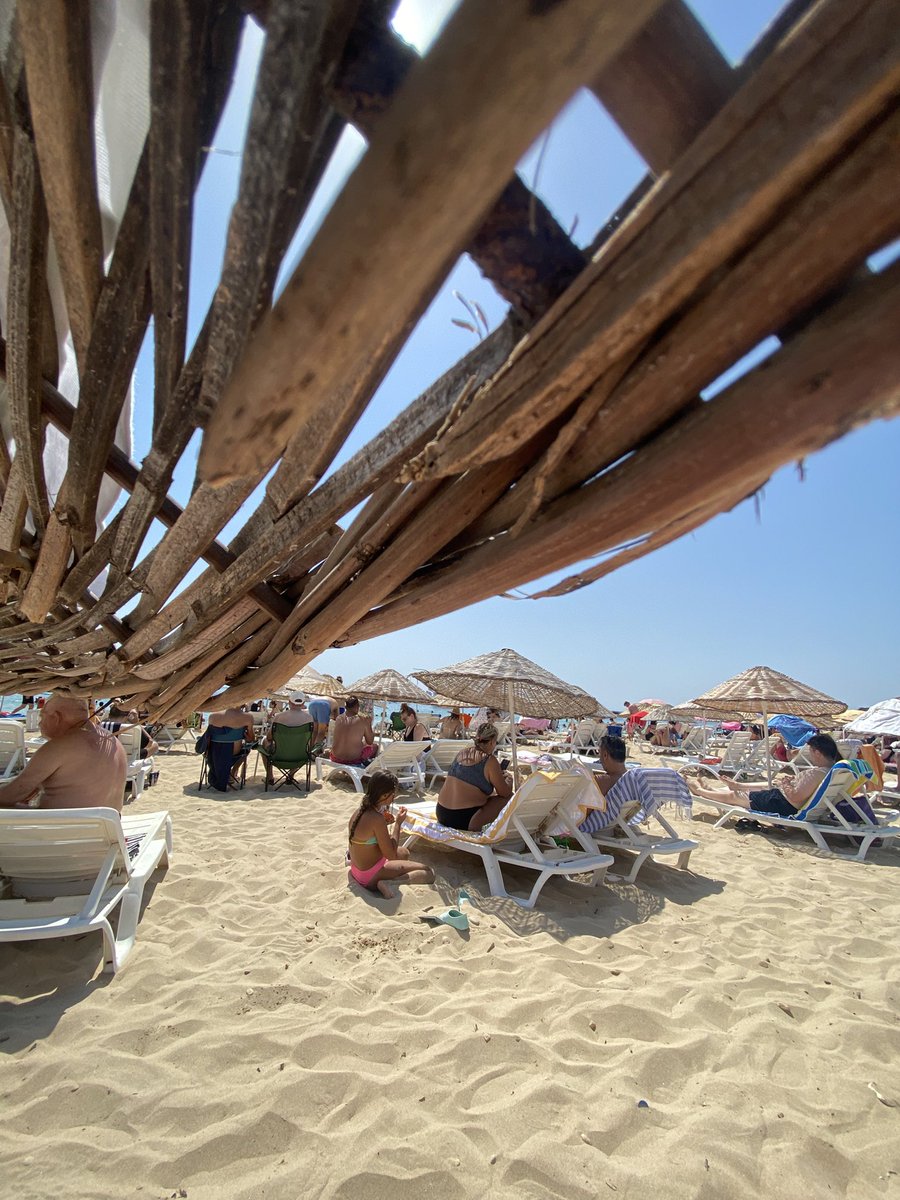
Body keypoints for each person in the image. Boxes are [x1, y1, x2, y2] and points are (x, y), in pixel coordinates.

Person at [0, 694, 126, 812]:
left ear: (56, 717)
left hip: (61, 831)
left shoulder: (59, 746)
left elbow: (13, 794)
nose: (39, 723)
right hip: (105, 830)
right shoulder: (113, 742)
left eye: (42, 716)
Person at [687, 732, 842, 816]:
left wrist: (786, 783)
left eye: (811, 753)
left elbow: (795, 796)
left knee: (735, 797)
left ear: (818, 753)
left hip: (783, 804)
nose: (811, 756)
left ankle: (699, 791)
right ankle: (728, 786)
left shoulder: (817, 773)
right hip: (783, 799)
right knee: (766, 786)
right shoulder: (831, 771)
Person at [347, 770, 436, 897]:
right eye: (393, 795)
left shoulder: (359, 812)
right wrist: (398, 824)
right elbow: (391, 855)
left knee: (404, 853)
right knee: (429, 872)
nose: (394, 797)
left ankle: (387, 879)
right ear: (384, 796)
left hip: (357, 870)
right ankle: (390, 883)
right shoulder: (377, 819)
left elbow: (372, 840)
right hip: (369, 876)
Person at [434, 722, 513, 832]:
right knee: (509, 798)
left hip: (441, 813)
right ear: (491, 742)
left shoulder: (462, 753)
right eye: (496, 742)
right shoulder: (489, 760)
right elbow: (505, 793)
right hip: (465, 820)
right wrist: (509, 781)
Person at [205, 704, 256, 790]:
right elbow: (250, 739)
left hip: (214, 754)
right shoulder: (248, 717)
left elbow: (208, 738)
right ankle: (233, 771)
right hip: (234, 753)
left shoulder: (213, 716)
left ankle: (230, 773)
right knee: (246, 750)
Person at [330, 696, 376, 766]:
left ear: (346, 706)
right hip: (353, 760)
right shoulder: (363, 720)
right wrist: (369, 725)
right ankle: (366, 765)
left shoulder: (339, 718)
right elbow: (370, 741)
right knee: (375, 747)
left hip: (335, 757)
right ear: (357, 706)